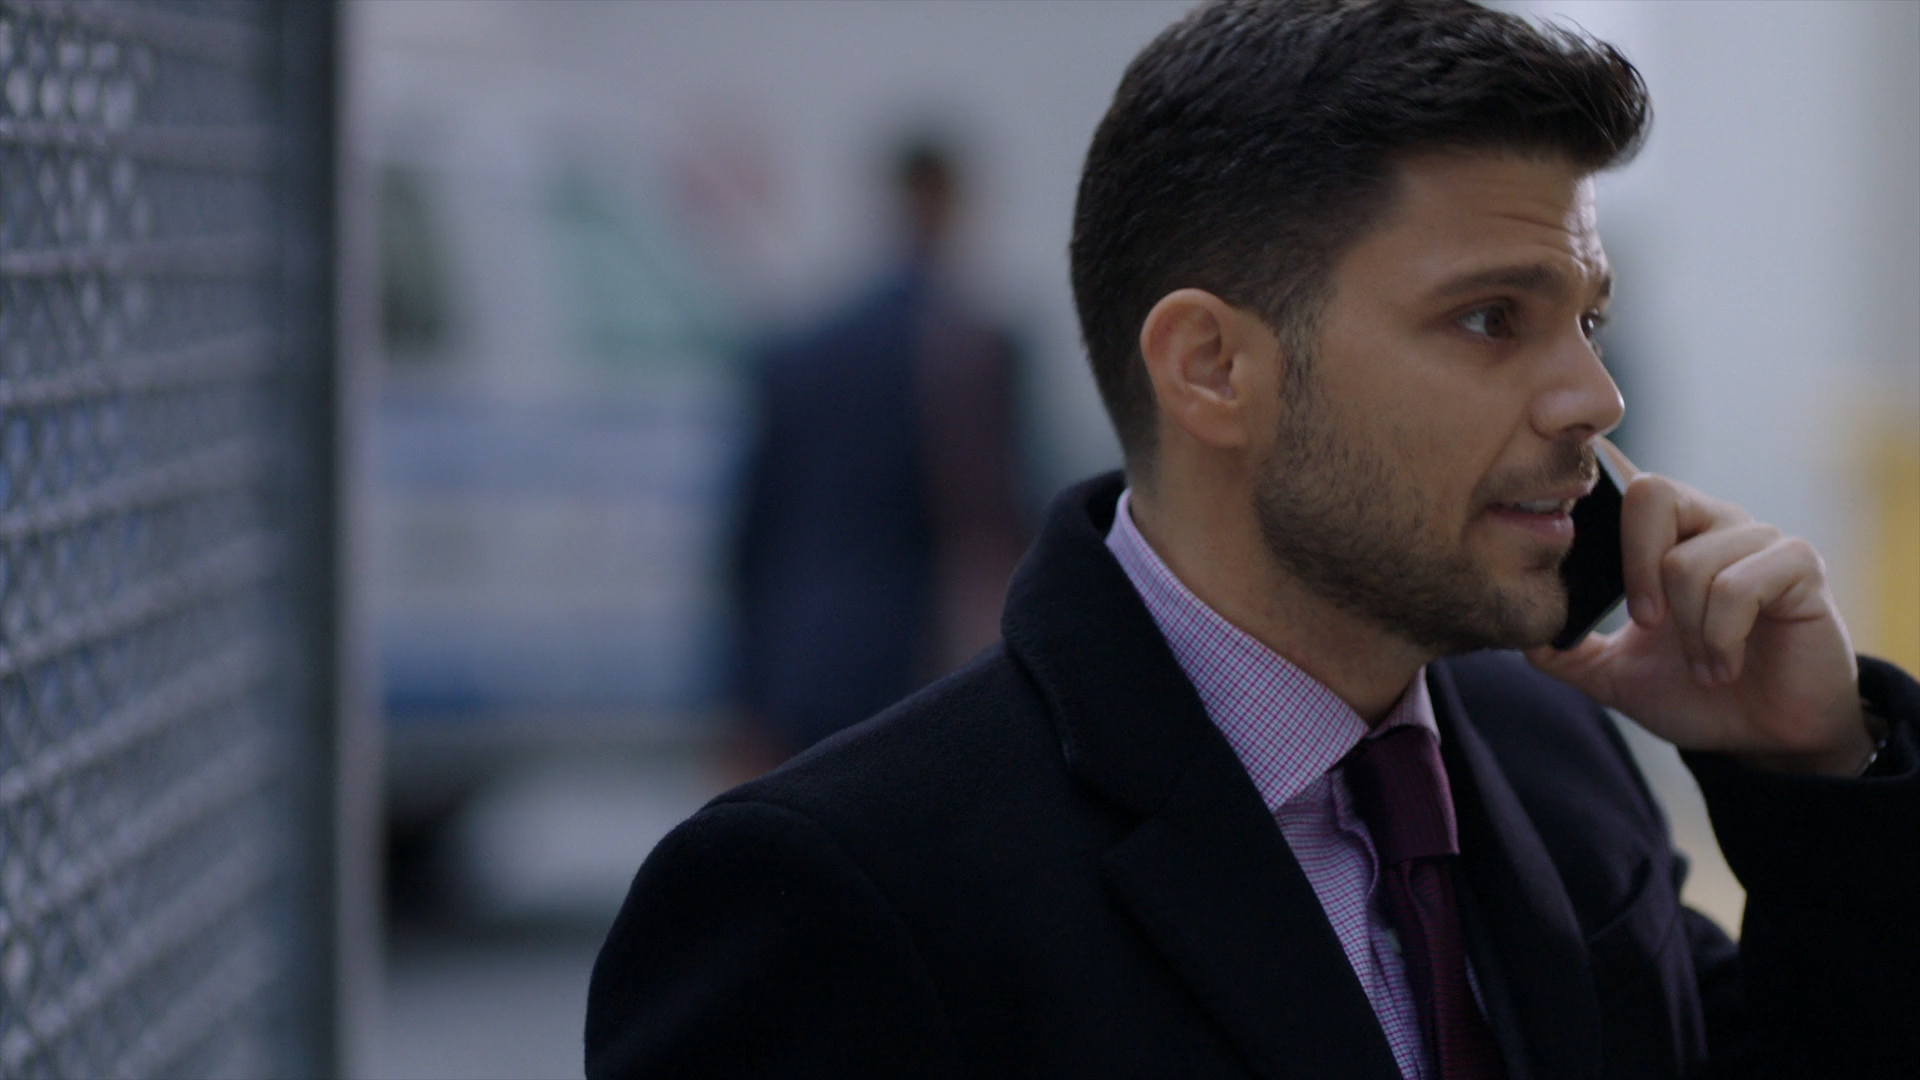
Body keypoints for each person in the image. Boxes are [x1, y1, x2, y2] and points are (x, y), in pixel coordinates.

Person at [588, 2, 1918, 1077]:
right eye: (1490, 319)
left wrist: (1815, 774)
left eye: (1589, 321)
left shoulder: (1547, 753)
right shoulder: (845, 895)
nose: (1595, 399)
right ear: (1213, 368)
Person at [728, 137, 1027, 767]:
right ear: (953, 205)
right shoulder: (973, 351)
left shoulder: (801, 349)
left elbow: (752, 535)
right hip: (918, 666)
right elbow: (1000, 515)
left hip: (800, 662)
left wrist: (742, 696)